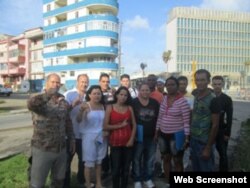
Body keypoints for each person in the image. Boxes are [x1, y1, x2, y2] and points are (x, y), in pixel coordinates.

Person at [27, 73, 75, 188]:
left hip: (60, 149)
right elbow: (31, 105)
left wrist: (72, 139)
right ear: (46, 83)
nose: (55, 85)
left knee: (58, 182)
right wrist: (48, 94)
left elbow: (67, 121)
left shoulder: (63, 101)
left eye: (58, 82)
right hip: (43, 149)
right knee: (37, 184)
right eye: (53, 82)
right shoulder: (38, 98)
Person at [156, 76, 190, 184]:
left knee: (177, 160)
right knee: (166, 158)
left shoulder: (183, 101)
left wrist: (187, 138)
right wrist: (156, 131)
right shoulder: (164, 99)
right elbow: (160, 116)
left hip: (176, 135)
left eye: (172, 85)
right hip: (163, 134)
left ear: (177, 86)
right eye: (168, 85)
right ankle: (168, 181)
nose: (170, 87)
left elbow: (186, 121)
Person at [103, 86, 137, 188]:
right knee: (116, 169)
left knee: (126, 169)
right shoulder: (110, 107)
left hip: (128, 143)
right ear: (116, 95)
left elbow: (134, 125)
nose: (123, 97)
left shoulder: (129, 108)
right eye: (121, 94)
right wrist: (120, 125)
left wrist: (131, 139)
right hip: (115, 143)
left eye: (125, 95)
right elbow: (105, 126)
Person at [190, 69, 220, 171]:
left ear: (208, 81)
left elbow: (215, 125)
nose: (200, 83)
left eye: (203, 80)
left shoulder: (213, 99)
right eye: (197, 80)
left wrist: (208, 148)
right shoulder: (196, 96)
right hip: (194, 140)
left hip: (204, 143)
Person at [77, 85, 106, 188]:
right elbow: (78, 120)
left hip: (101, 137)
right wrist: (81, 111)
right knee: (89, 162)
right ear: (89, 95)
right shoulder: (86, 105)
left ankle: (98, 183)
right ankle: (88, 184)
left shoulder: (103, 106)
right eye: (94, 93)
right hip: (89, 138)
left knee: (99, 161)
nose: (97, 95)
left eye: (99, 93)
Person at [131, 83, 160, 188]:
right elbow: (130, 118)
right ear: (139, 91)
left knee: (150, 159)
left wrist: (157, 133)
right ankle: (137, 179)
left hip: (151, 136)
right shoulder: (134, 102)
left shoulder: (155, 103)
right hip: (138, 136)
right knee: (136, 159)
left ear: (150, 91)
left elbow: (158, 118)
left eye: (147, 90)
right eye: (142, 90)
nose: (145, 92)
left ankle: (147, 178)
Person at [63, 74, 89, 187]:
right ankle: (66, 184)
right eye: (82, 81)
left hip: (84, 135)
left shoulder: (89, 95)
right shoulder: (69, 94)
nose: (84, 84)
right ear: (77, 82)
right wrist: (73, 104)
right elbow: (63, 112)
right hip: (71, 135)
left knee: (83, 160)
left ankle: (81, 181)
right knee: (67, 162)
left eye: (86, 82)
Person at [212, 75, 233, 171]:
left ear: (222, 84)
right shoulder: (209, 97)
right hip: (209, 130)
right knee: (208, 154)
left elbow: (229, 118)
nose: (217, 86)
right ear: (212, 84)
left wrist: (227, 133)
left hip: (221, 131)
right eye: (215, 84)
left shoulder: (227, 99)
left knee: (223, 155)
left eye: (219, 84)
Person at [98, 73, 114, 179]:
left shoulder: (112, 93)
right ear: (99, 82)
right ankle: (104, 170)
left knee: (113, 149)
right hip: (99, 126)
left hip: (112, 125)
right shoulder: (95, 92)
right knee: (102, 150)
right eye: (103, 81)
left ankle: (113, 169)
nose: (105, 83)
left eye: (107, 81)